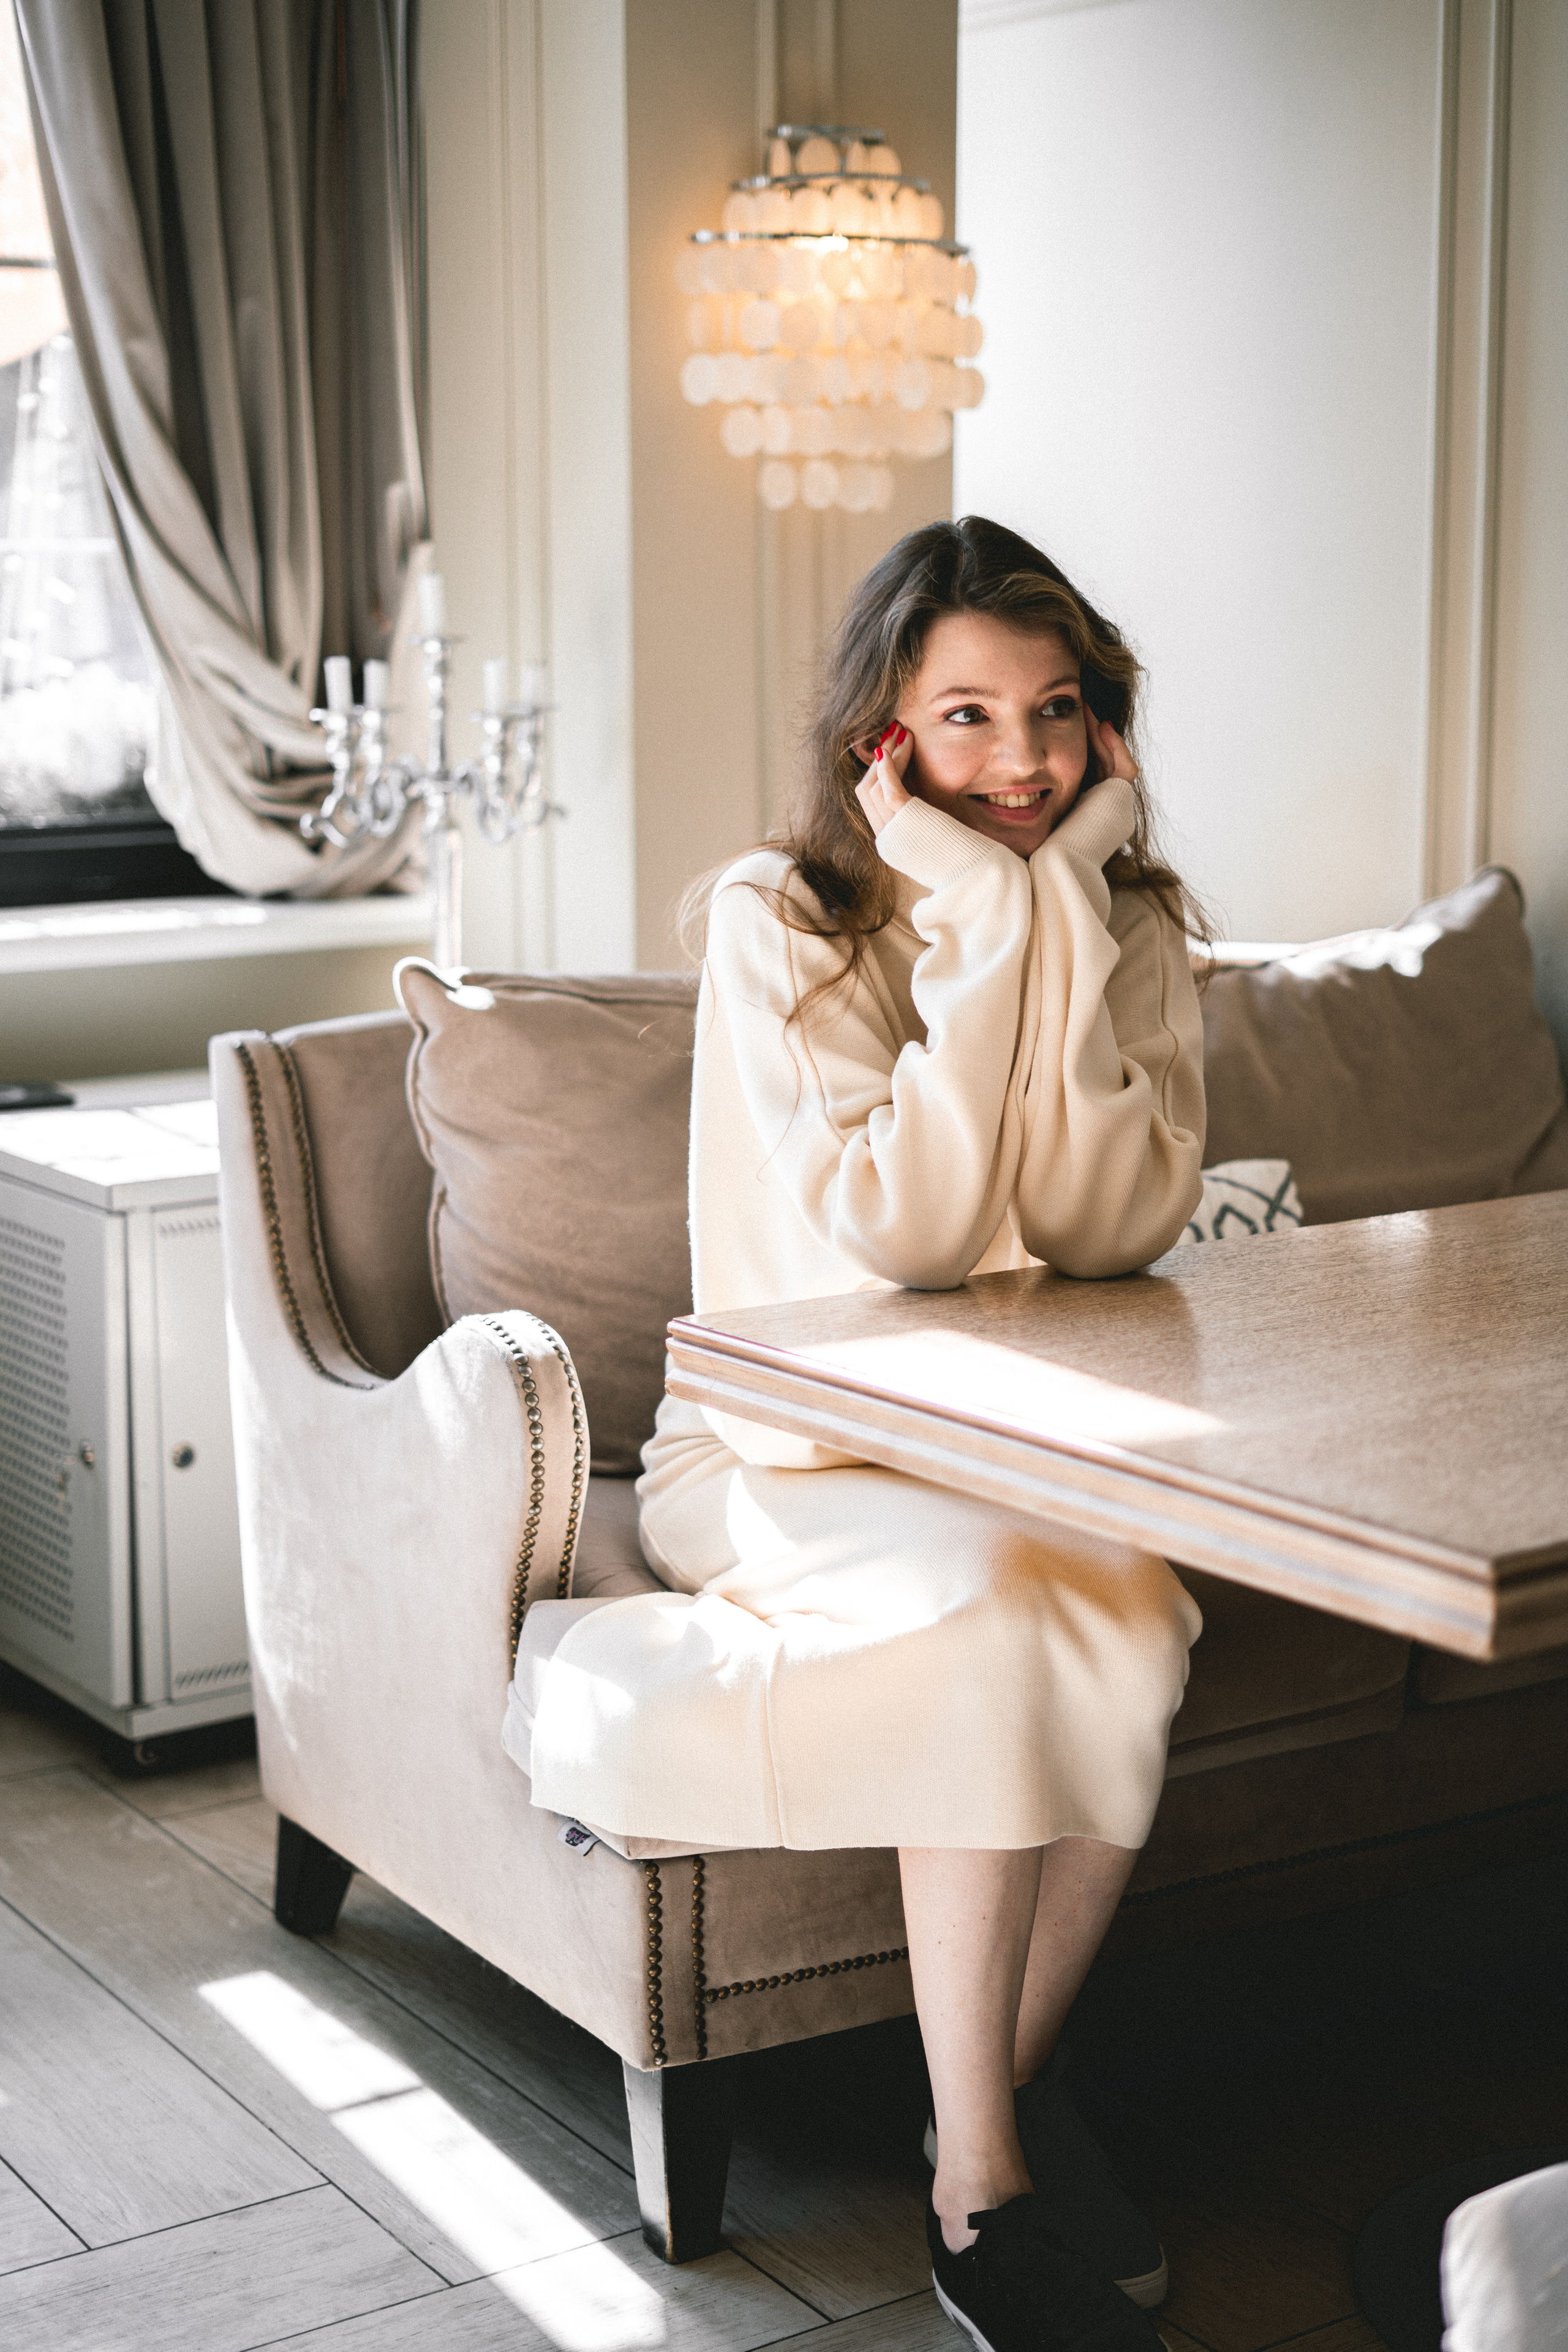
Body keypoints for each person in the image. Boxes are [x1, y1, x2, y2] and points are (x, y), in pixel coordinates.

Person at [537, 516, 1207, 2352]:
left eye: (1056, 712)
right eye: (970, 717)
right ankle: (984, 2182)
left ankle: (986, 2076)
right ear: (883, 742)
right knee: (1006, 1606)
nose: (1022, 761)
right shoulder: (779, 919)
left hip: (1005, 1451)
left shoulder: (1124, 914)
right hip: (780, 1455)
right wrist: (988, 926)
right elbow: (899, 1237)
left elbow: (1101, 1224)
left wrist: (1061, 911)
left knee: (1141, 1609)